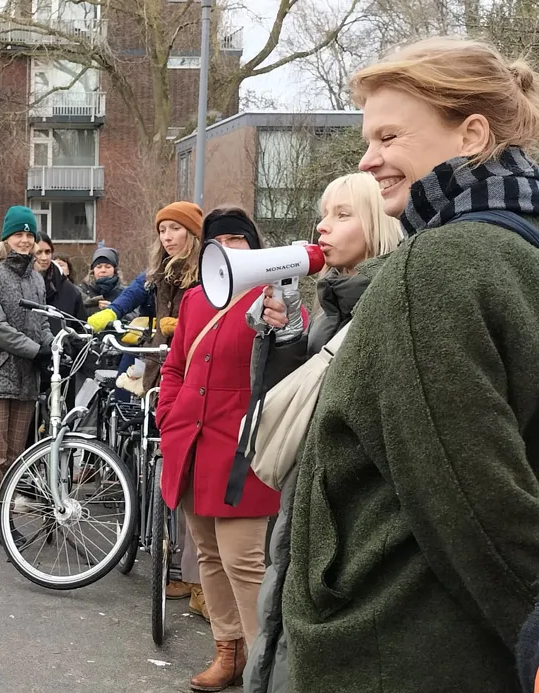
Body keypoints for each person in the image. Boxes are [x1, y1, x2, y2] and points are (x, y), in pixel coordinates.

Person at [280, 38, 539, 693]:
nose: (369, 160)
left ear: (471, 133)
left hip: (403, 644)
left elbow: (469, 497)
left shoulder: (437, 267)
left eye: (389, 136)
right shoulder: (517, 249)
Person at [244, 172, 402, 693]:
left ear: (378, 222)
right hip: (306, 495)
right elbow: (298, 398)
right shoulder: (337, 299)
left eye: (342, 214)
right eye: (323, 214)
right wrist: (285, 333)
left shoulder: (385, 301)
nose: (323, 226)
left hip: (337, 511)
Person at [156, 207, 282, 692]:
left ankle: (261, 665)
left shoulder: (275, 298)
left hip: (243, 445)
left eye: (237, 239)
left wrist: (287, 316)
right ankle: (227, 651)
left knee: (244, 560)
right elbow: (175, 366)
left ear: (254, 245)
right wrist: (169, 415)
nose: (228, 248)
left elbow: (293, 357)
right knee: (207, 553)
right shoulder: (193, 301)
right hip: (190, 440)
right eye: (219, 241)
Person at [89, 201, 207, 613]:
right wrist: (110, 315)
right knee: (156, 464)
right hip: (161, 370)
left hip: (197, 373)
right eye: (163, 230)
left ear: (193, 234)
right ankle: (174, 568)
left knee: (187, 473)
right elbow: (132, 294)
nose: (168, 237)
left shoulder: (208, 272)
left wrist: (185, 327)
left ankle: (200, 584)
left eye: (175, 229)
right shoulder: (158, 272)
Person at [0, 206, 52, 542]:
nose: (24, 239)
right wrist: (35, 349)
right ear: (6, 237)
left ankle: (6, 513)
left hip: (25, 378)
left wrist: (51, 344)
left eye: (29, 234)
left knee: (17, 455)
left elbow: (42, 321)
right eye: (18, 233)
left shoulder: (36, 278)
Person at [34, 233, 87, 330]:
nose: (44, 257)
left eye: (47, 252)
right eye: (38, 252)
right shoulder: (18, 284)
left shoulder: (69, 290)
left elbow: (80, 328)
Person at [78, 246, 126, 311]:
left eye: (108, 267)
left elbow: (134, 315)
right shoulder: (81, 290)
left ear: (115, 270)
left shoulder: (124, 292)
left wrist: (114, 310)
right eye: (99, 267)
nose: (103, 270)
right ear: (93, 270)